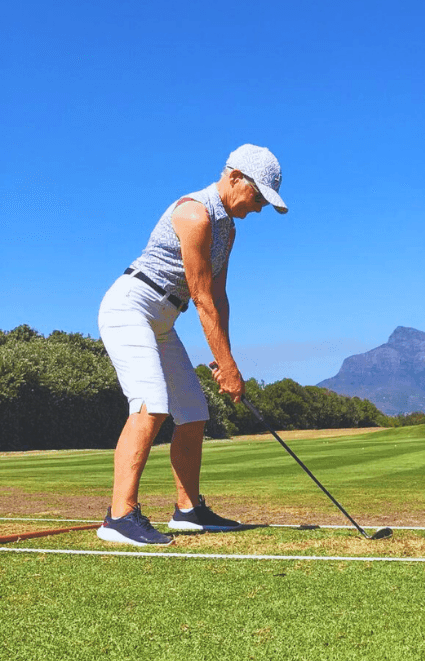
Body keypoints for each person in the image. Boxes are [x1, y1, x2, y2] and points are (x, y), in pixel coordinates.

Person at [96, 144, 288, 546]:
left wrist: (226, 360)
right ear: (235, 177)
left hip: (164, 319)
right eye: (258, 197)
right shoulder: (194, 214)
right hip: (131, 307)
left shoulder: (227, 230)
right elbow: (201, 297)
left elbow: (218, 297)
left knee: (194, 411)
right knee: (151, 404)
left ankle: (187, 510)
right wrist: (227, 367)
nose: (258, 209)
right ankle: (119, 516)